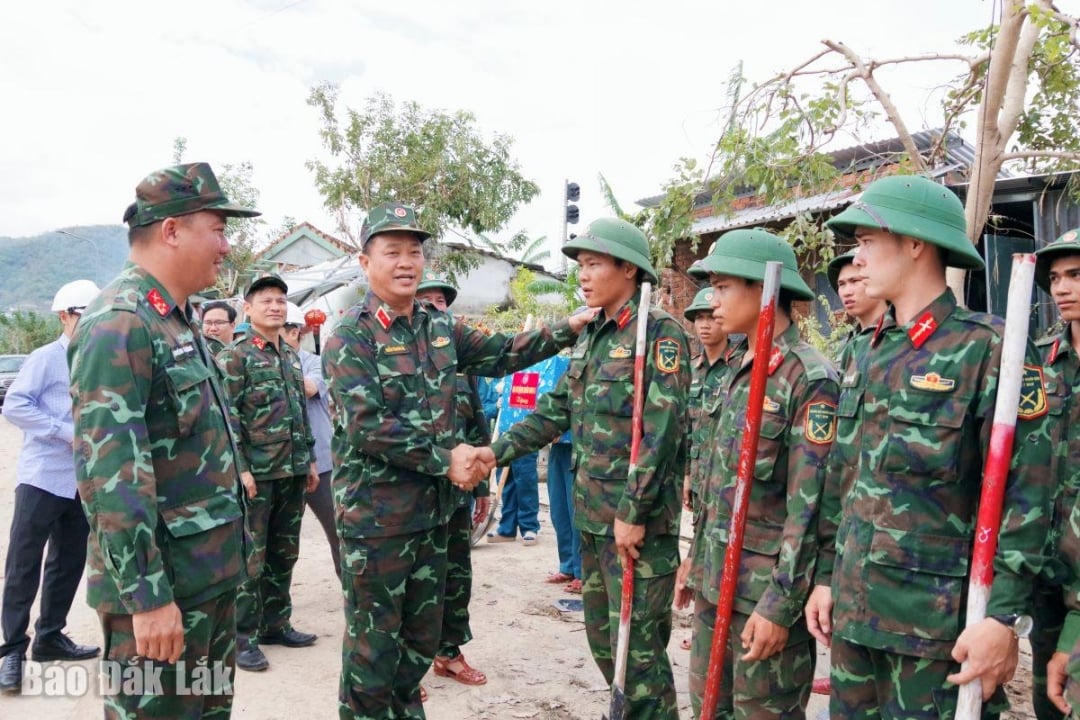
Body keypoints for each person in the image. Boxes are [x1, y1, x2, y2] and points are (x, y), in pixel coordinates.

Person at [321, 202, 593, 720]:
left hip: (435, 516)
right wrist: (446, 460)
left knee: (421, 640)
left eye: (414, 252)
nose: (406, 262)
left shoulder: (439, 327)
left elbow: (504, 352)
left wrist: (568, 327)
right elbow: (367, 426)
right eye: (392, 252)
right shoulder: (350, 337)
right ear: (365, 262)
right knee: (374, 648)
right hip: (378, 522)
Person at [807, 175, 1053, 718]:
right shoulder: (865, 352)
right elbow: (843, 478)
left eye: (867, 241)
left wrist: (1003, 619)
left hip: (937, 632)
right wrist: (826, 577)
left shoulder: (990, 348)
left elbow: (1029, 495)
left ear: (915, 243)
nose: (857, 259)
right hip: (854, 617)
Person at [69, 162, 259, 718]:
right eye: (218, 230)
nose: (226, 246)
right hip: (162, 591)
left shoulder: (175, 318)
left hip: (205, 577)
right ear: (172, 230)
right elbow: (110, 477)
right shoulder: (121, 321)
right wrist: (147, 597)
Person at [486, 217, 690, 720]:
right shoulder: (592, 334)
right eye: (580, 265)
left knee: (638, 654)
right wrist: (494, 453)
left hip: (635, 527)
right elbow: (555, 410)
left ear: (628, 268)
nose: (583, 274)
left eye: (594, 263)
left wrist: (634, 512)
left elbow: (662, 435)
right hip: (593, 520)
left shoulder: (658, 334)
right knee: (604, 643)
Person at [678, 230, 837, 718]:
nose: (713, 301)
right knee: (708, 708)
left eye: (723, 287)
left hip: (763, 595)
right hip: (715, 582)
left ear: (763, 288)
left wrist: (780, 605)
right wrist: (695, 561)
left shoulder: (807, 378)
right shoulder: (736, 368)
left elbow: (810, 508)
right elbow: (719, 483)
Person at [0, 279, 102, 695]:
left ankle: (50, 637)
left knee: (69, 560)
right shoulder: (45, 358)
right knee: (24, 562)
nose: (91, 323)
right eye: (83, 315)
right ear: (64, 316)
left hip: (83, 480)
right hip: (43, 476)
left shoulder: (101, 359)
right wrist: (64, 432)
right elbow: (15, 405)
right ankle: (11, 651)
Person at [218, 274, 319, 673]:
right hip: (256, 475)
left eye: (280, 300)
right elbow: (227, 418)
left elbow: (299, 413)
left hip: (292, 470)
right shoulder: (236, 355)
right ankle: (242, 637)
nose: (275, 307)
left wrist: (310, 460)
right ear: (248, 309)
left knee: (284, 552)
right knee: (251, 557)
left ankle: (276, 624)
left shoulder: (289, 355)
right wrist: (240, 469)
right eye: (266, 301)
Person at [414, 271, 491, 690]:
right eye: (424, 300)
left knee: (456, 576)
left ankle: (448, 653)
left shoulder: (460, 363)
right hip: (411, 497)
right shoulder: (393, 358)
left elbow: (477, 424)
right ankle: (406, 667)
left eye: (440, 301)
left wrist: (481, 488)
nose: (433, 307)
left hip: (457, 493)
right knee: (413, 583)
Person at [1033, 230, 1080, 718]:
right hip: (1047, 560)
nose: (1062, 288)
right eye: (1055, 278)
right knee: (1047, 692)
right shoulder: (1038, 360)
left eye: (1076, 275)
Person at [674, 283, 730, 654]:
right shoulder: (691, 370)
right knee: (699, 543)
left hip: (723, 479)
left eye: (711, 317)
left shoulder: (737, 368)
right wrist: (687, 476)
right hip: (697, 477)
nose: (705, 325)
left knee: (719, 551)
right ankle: (701, 626)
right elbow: (685, 429)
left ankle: (714, 626)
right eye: (699, 318)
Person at [281, 302, 340, 578]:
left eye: (277, 331)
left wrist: (272, 367)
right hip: (281, 466)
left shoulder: (316, 363)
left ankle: (353, 593)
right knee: (281, 543)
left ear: (294, 333)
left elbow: (309, 388)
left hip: (322, 464)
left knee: (339, 531)